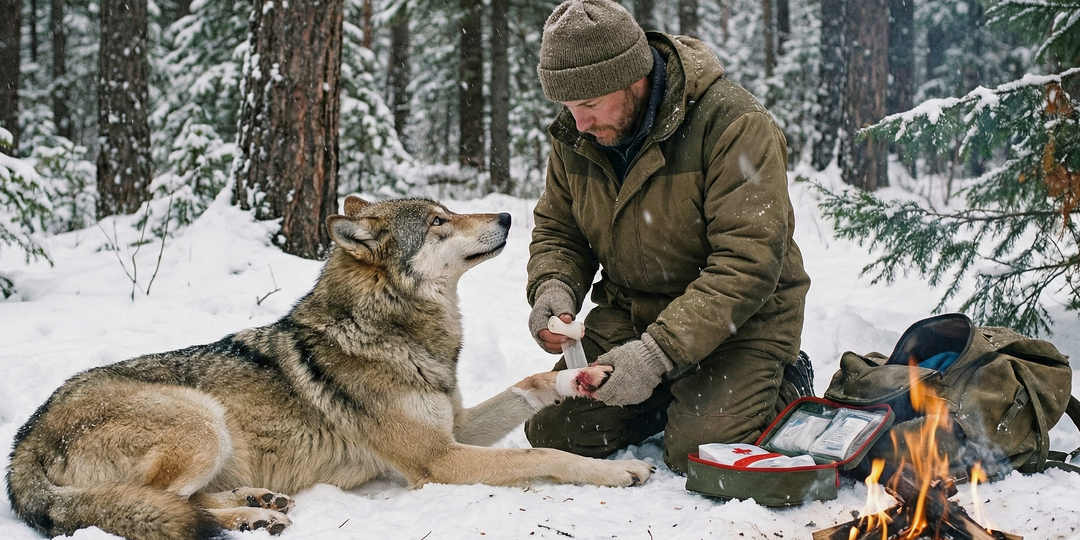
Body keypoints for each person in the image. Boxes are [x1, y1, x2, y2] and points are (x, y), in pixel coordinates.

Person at [524, 0, 813, 475]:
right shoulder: (577, 136)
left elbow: (747, 264)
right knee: (557, 430)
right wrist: (553, 290)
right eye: (568, 108)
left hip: (740, 322)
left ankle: (783, 378)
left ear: (633, 78)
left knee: (699, 452)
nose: (579, 124)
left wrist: (655, 355)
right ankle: (670, 395)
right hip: (632, 313)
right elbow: (560, 230)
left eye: (590, 105)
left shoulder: (733, 123)